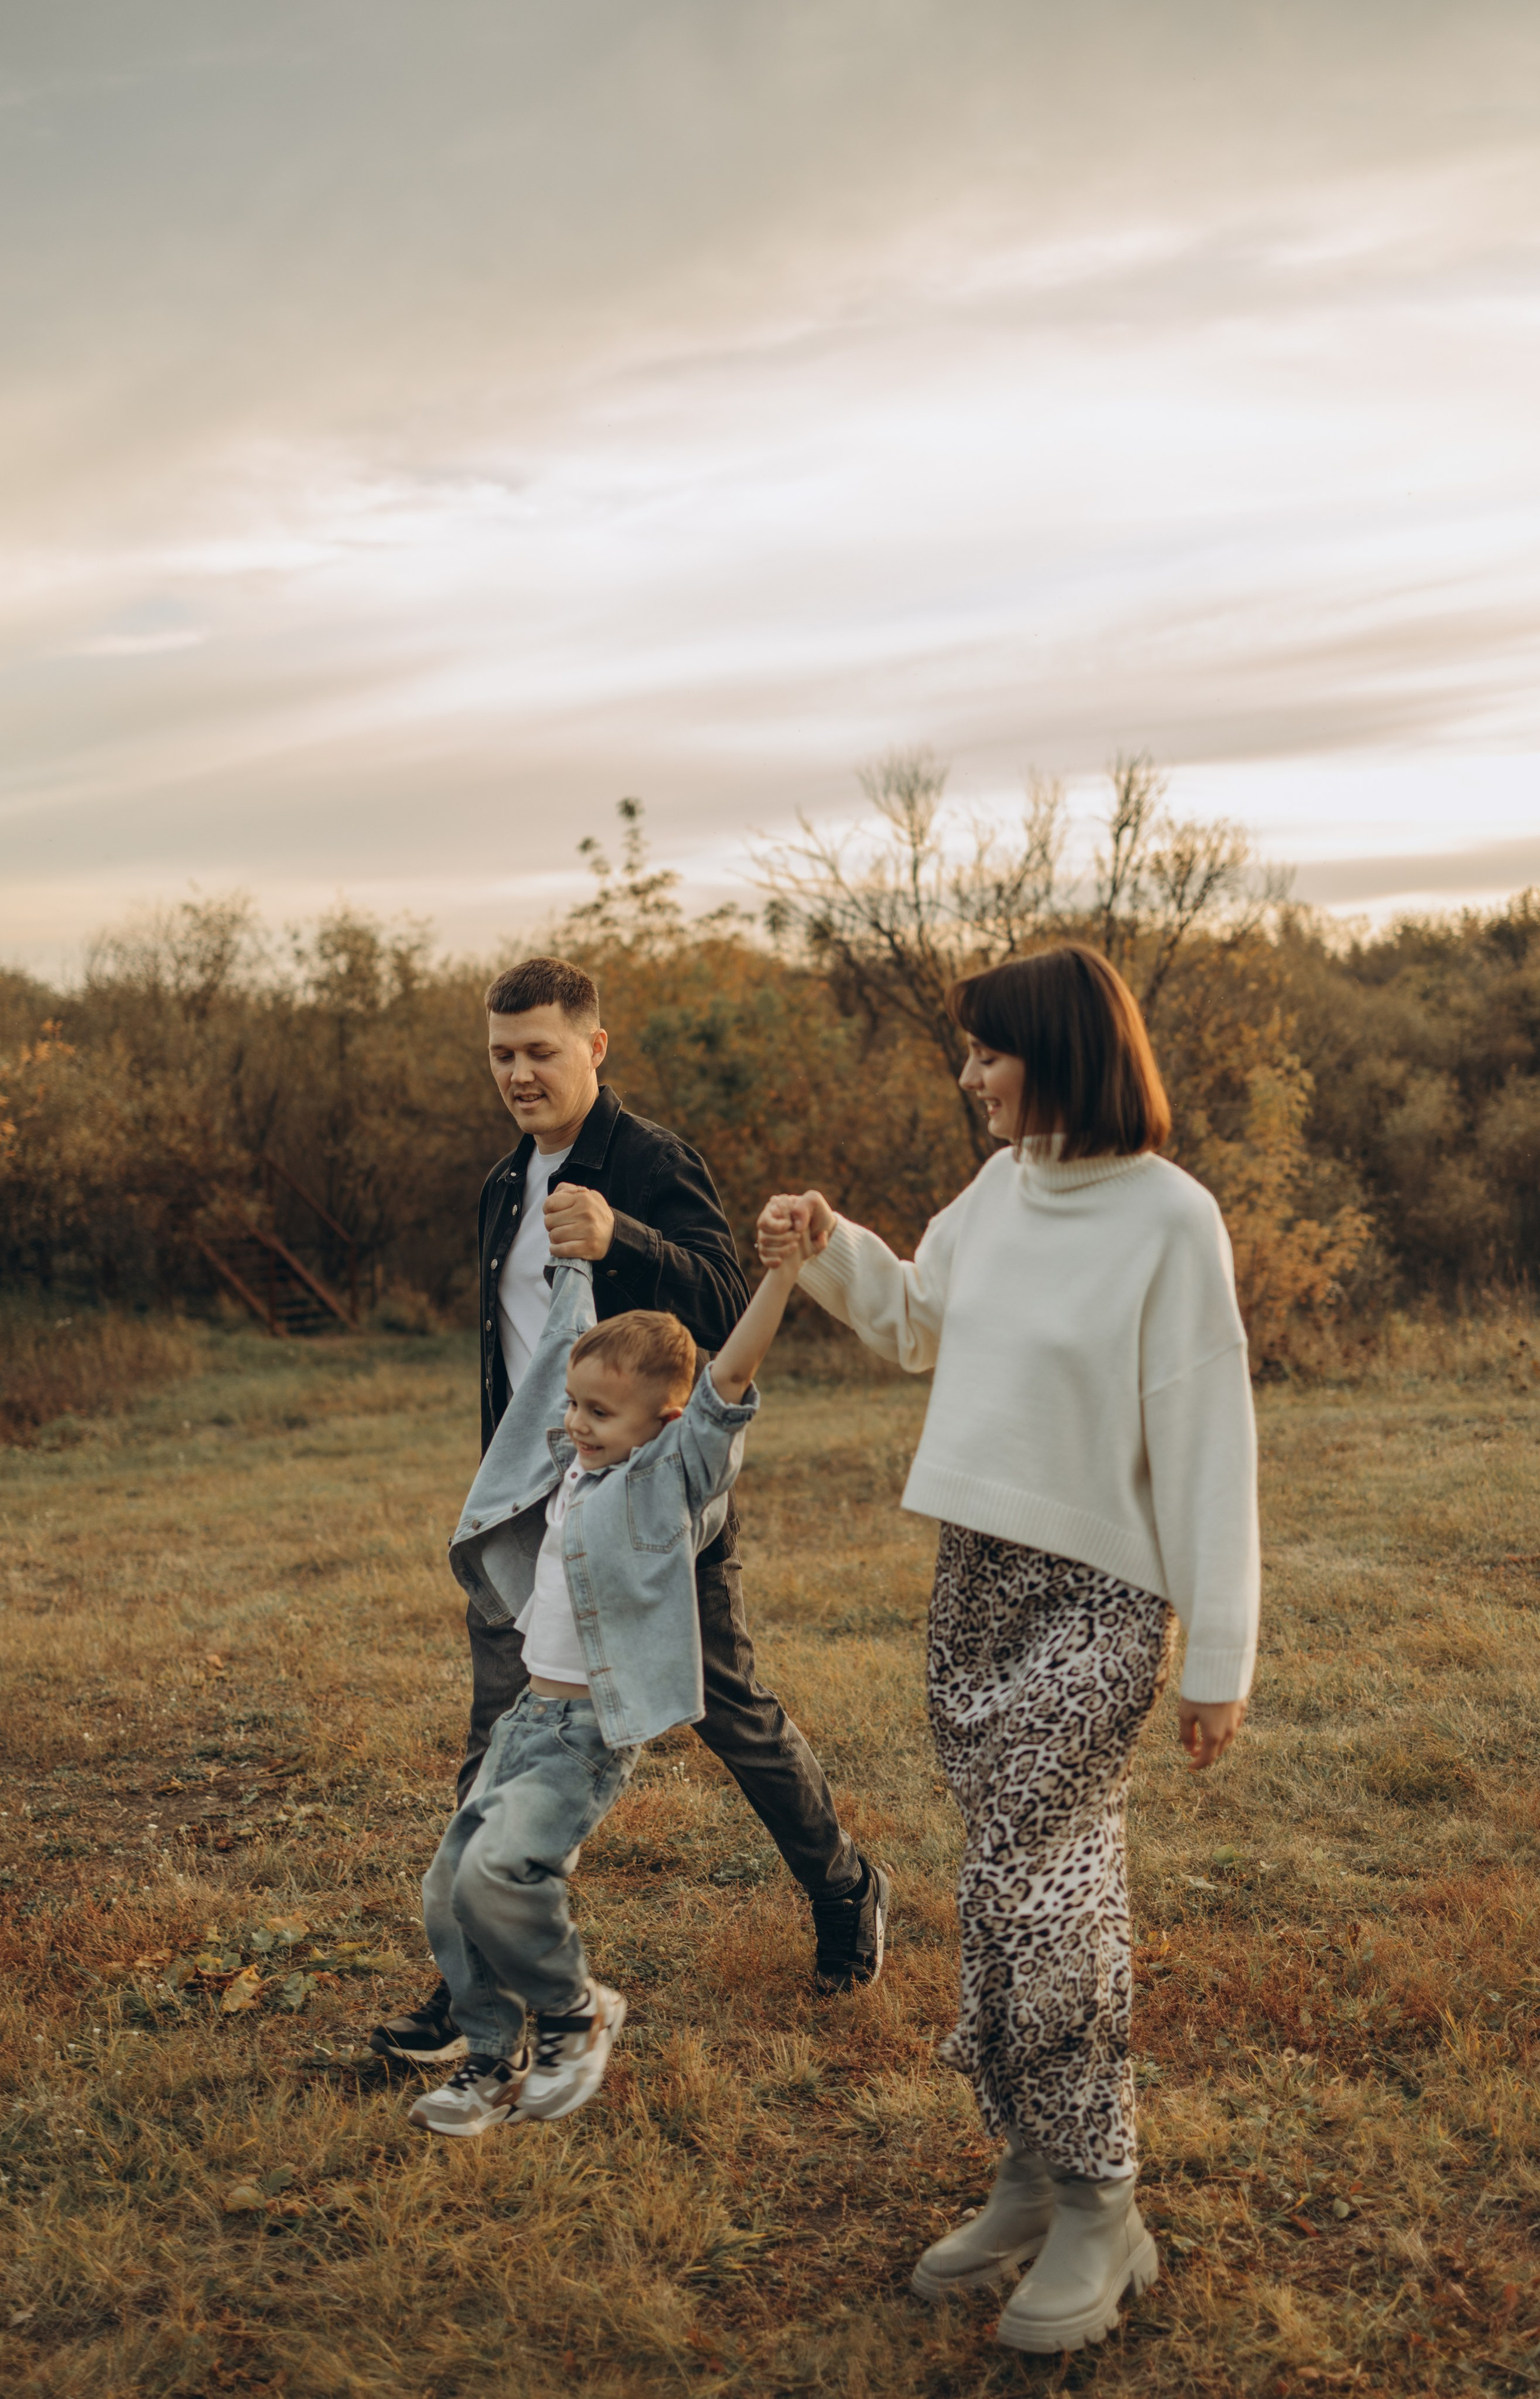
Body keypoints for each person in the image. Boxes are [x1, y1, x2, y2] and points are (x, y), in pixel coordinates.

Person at [756, 942, 1258, 2358]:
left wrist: (1215, 1651)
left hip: (1100, 1592)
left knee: (1044, 1877)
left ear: (1056, 1050)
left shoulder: (1169, 1219)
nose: (966, 1075)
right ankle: (1031, 2168)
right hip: (973, 1576)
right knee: (998, 1880)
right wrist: (830, 1243)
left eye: (984, 1051)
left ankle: (1105, 2200)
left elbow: (1213, 1445)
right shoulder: (999, 1190)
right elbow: (918, 1321)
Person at [373, 956, 882, 2068]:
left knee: (726, 1710)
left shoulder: (649, 1163)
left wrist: (624, 1242)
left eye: (541, 1050)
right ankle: (475, 1994)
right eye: (502, 1053)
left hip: (654, 1504)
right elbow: (509, 1361)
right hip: (539, 1507)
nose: (519, 1072)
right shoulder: (501, 1188)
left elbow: (720, 1295)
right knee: (498, 1741)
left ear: (593, 1047)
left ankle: (845, 1887)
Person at [411, 1206, 864, 2136]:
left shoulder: (671, 1475)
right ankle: (493, 2065)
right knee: (449, 1893)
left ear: (664, 1422)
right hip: (525, 1724)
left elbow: (729, 1376)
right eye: (577, 1407)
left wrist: (781, 1275)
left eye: (599, 1412)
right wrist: (573, 1266)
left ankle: (578, 2012)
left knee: (503, 1874)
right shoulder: (574, 1460)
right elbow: (555, 1371)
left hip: (584, 1736)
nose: (575, 1424)